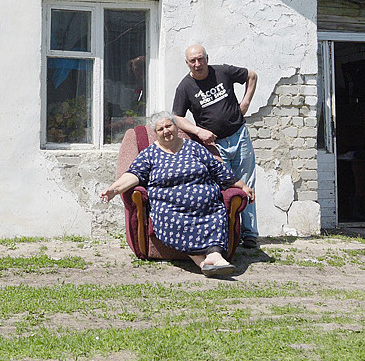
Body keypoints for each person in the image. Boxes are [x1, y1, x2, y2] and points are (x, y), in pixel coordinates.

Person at [101, 111, 252, 277]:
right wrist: (114, 190)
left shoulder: (194, 148)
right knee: (173, 219)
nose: (166, 131)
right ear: (156, 133)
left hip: (206, 205)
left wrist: (242, 185)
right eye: (160, 129)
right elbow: (134, 174)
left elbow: (218, 170)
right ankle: (209, 260)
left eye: (168, 126)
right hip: (169, 208)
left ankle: (211, 257)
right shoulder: (150, 154)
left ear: (176, 127)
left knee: (215, 213)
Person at [172, 44, 260, 248]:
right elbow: (177, 117)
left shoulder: (223, 71)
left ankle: (250, 234)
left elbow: (252, 76)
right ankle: (227, 235)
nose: (197, 64)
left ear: (207, 58)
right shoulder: (185, 87)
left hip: (239, 136)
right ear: (187, 64)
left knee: (247, 183)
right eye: (192, 61)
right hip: (214, 145)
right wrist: (198, 131)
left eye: (200, 59)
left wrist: (246, 103)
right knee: (224, 187)